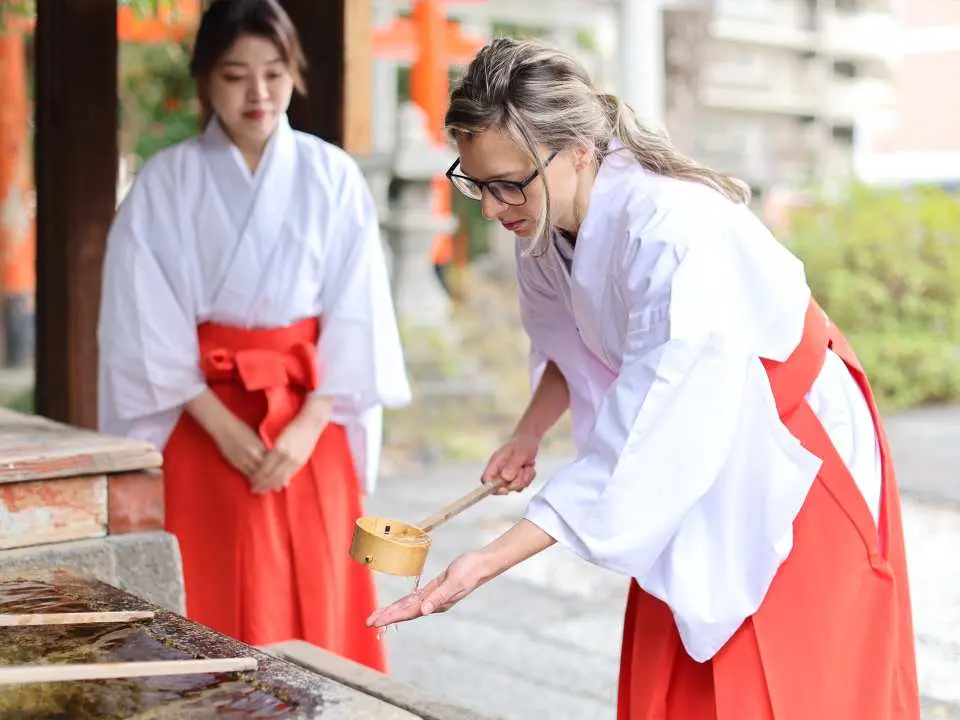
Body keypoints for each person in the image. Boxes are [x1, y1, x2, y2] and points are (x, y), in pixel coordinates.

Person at [367, 37, 920, 718]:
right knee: (680, 669)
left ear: (576, 150)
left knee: (794, 675)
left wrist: (484, 561)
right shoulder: (543, 221)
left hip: (787, 446)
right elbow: (572, 346)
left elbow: (648, 440)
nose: (492, 207)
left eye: (509, 183)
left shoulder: (673, 231)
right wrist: (528, 433)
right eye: (477, 184)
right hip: (684, 436)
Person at [98, 0, 410, 673]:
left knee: (320, 603)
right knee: (208, 613)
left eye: (273, 72)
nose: (258, 93)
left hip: (309, 424)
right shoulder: (167, 182)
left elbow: (358, 311)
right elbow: (141, 319)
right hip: (205, 425)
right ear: (205, 79)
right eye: (235, 75)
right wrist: (219, 424)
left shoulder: (331, 175)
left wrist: (306, 427)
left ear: (294, 73)